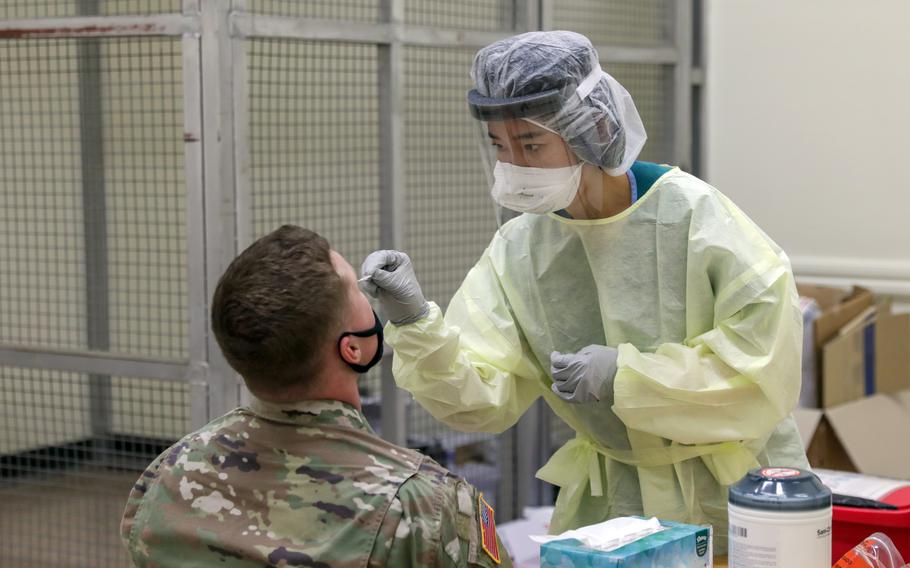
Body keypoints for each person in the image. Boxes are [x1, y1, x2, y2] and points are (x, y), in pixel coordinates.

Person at [360, 31, 808, 554]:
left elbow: (762, 371)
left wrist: (628, 376)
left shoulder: (696, 219)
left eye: (531, 144)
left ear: (593, 128)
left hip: (736, 501)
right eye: (500, 146)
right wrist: (414, 322)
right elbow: (480, 402)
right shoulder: (522, 248)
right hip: (612, 511)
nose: (514, 165)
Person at [120, 225, 510, 567]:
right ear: (351, 348)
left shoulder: (169, 473)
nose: (367, 295)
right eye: (356, 291)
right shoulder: (420, 504)